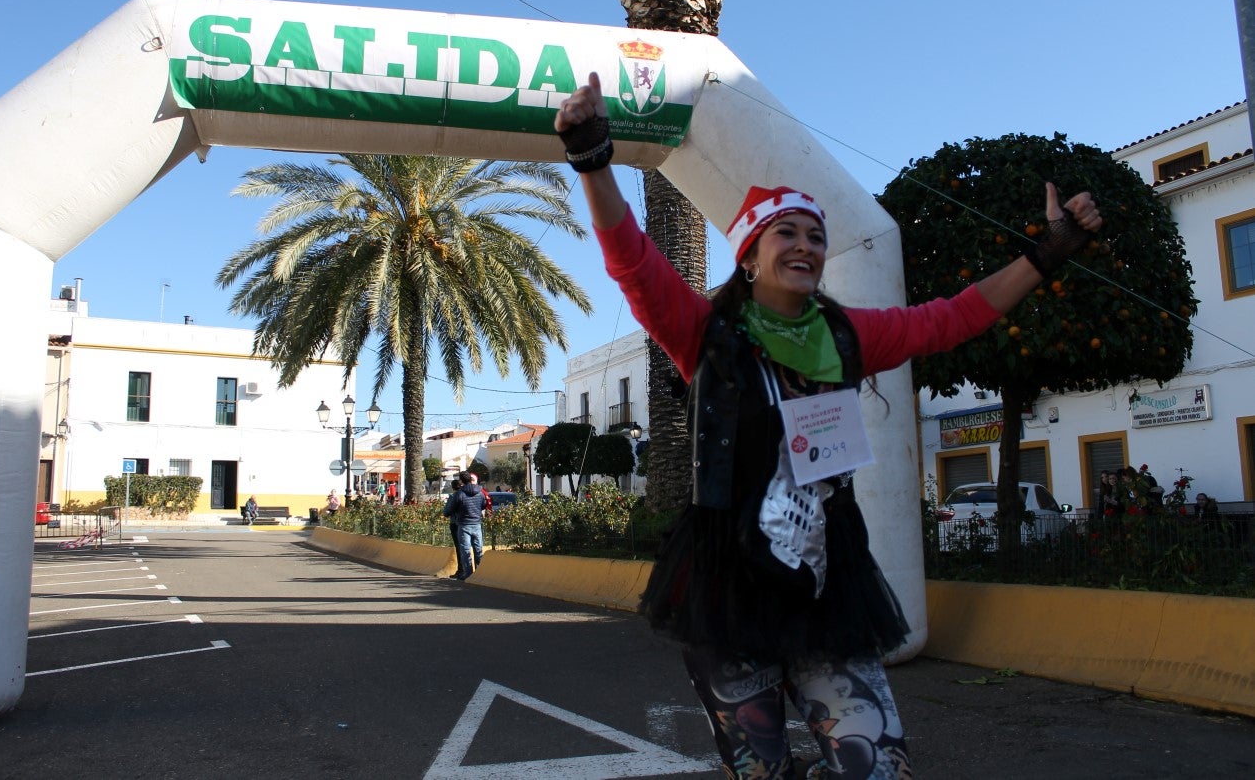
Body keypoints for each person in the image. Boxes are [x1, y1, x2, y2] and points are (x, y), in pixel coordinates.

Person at [554, 72, 1102, 779]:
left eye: (816, 234)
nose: (806, 244)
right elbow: (633, 263)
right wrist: (593, 159)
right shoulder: (704, 334)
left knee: (876, 766)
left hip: (827, 589)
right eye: (786, 232)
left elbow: (955, 317)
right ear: (748, 257)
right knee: (764, 771)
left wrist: (1046, 254)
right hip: (729, 589)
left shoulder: (849, 336)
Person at [442, 471, 487, 580]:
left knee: (465, 550)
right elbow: (483, 505)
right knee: (478, 549)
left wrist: (447, 513)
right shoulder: (480, 492)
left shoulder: (459, 494)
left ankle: (468, 574)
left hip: (464, 524)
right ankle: (479, 573)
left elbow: (450, 509)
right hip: (477, 523)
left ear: (461, 481)